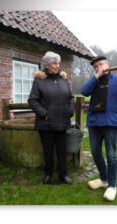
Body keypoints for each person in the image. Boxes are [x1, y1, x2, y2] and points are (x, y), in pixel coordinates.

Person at [81, 56, 117, 201]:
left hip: (110, 122)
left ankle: (112, 186)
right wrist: (95, 76)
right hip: (94, 122)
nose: (98, 67)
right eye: (95, 67)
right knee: (95, 151)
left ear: (107, 64)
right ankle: (104, 179)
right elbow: (84, 91)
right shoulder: (94, 81)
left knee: (111, 154)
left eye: (100, 64)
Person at [28, 51, 75, 185]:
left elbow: (71, 98)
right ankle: (48, 174)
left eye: (58, 63)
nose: (57, 66)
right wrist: (45, 114)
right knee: (48, 151)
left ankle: (63, 175)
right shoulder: (39, 81)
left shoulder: (63, 79)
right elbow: (33, 100)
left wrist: (70, 110)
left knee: (62, 150)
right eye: (54, 63)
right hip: (46, 124)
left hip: (63, 121)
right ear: (47, 65)